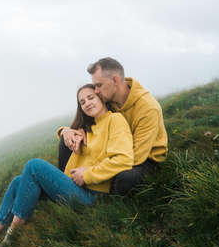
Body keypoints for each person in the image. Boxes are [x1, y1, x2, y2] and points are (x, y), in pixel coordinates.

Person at [0, 84, 134, 247]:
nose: (87, 103)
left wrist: (88, 174)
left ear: (102, 98)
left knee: (34, 166)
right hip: (75, 186)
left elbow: (123, 159)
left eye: (91, 98)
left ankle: (12, 234)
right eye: (82, 102)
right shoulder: (88, 128)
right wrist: (65, 130)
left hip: (93, 195)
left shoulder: (115, 120)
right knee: (18, 181)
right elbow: (67, 132)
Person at [58, 57, 168, 195]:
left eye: (99, 85)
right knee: (68, 141)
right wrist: (67, 131)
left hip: (144, 159)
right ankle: (63, 186)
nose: (96, 91)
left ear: (115, 80)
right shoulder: (110, 99)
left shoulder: (148, 108)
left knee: (126, 178)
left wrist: (92, 170)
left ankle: (102, 202)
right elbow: (94, 121)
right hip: (114, 150)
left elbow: (134, 158)